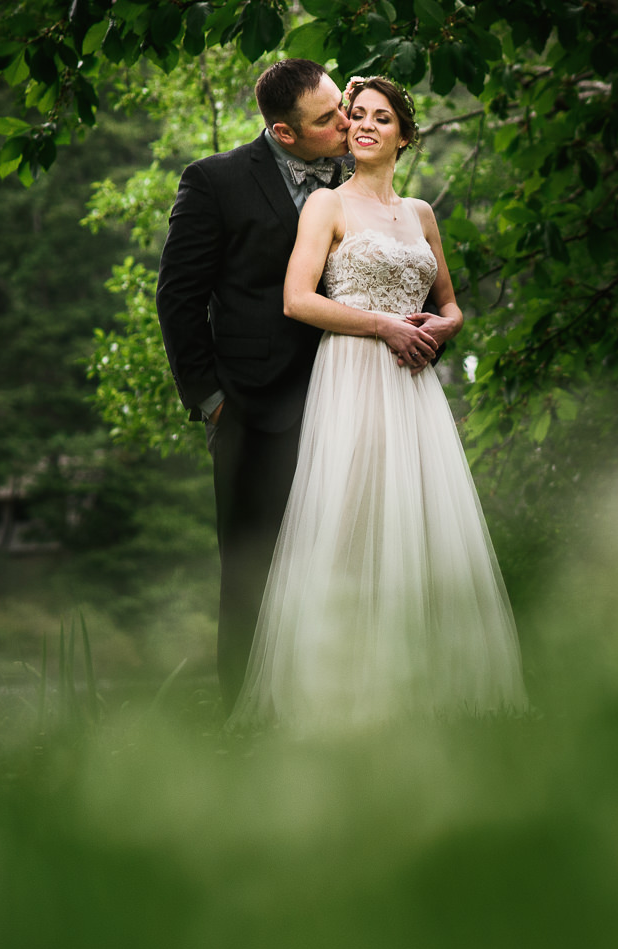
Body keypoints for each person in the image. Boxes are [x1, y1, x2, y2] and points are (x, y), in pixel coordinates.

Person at [226, 75, 526, 730]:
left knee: (414, 519)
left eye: (379, 117)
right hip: (356, 372)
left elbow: (449, 304)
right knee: (351, 515)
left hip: (413, 388)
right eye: (355, 114)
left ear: (405, 135)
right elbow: (297, 300)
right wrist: (385, 326)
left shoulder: (421, 214)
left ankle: (421, 687)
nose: (362, 124)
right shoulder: (326, 208)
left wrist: (445, 327)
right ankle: (337, 694)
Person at [155, 59, 444, 707]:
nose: (347, 122)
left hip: (355, 398)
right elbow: (178, 299)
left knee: (351, 556)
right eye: (329, 118)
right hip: (252, 408)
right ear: (285, 134)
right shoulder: (215, 182)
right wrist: (212, 402)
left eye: (343, 107)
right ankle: (246, 723)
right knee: (255, 569)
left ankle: (349, 705)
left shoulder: (358, 176)